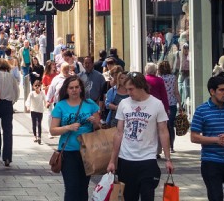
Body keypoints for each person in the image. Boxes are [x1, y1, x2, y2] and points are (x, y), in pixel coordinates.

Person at [107, 72, 174, 201]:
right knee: (129, 197)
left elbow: (163, 132)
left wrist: (168, 159)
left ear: (141, 86)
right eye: (126, 89)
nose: (129, 93)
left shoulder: (156, 104)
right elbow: (118, 133)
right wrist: (112, 160)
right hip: (126, 159)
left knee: (147, 196)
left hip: (147, 159)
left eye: (131, 89)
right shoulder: (124, 104)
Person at [51, 76, 101, 201]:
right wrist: (68, 127)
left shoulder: (90, 104)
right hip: (68, 151)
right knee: (72, 187)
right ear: (66, 90)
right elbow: (53, 130)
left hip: (88, 151)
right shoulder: (61, 106)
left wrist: (94, 121)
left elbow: (98, 127)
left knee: (83, 187)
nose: (74, 90)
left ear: (81, 89)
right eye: (71, 88)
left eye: (76, 87)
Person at [158, 61, 181, 151]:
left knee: (162, 125)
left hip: (162, 104)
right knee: (170, 125)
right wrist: (180, 104)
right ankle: (171, 146)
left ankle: (164, 145)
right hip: (172, 103)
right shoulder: (173, 78)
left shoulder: (159, 79)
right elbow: (176, 92)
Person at [26, 79, 46, 144]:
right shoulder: (32, 93)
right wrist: (28, 106)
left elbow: (45, 100)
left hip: (40, 110)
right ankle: (35, 136)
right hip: (33, 110)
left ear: (40, 86)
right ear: (33, 86)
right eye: (35, 85)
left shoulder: (42, 93)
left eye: (38, 85)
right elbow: (28, 100)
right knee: (34, 124)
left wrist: (46, 105)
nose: (37, 87)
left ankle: (39, 137)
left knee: (39, 124)